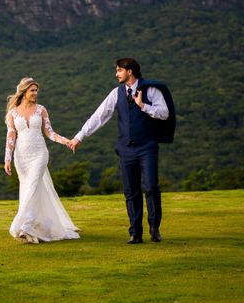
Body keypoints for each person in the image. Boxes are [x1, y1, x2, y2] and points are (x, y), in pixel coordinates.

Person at [70, 58, 173, 244]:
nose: (116, 74)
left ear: (130, 71)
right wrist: (79, 137)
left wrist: (143, 106)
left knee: (150, 187)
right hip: (126, 150)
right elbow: (99, 116)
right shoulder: (116, 93)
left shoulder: (150, 90)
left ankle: (154, 227)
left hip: (147, 147)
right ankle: (135, 233)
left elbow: (164, 113)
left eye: (119, 70)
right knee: (131, 192)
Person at [4, 77, 80, 243]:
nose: (35, 93)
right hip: (21, 157)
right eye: (32, 90)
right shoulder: (12, 113)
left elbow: (50, 133)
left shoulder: (41, 110)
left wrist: (65, 140)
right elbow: (11, 136)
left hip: (39, 154)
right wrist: (7, 159)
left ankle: (26, 225)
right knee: (28, 189)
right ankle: (38, 224)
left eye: (36, 90)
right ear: (23, 92)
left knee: (32, 186)